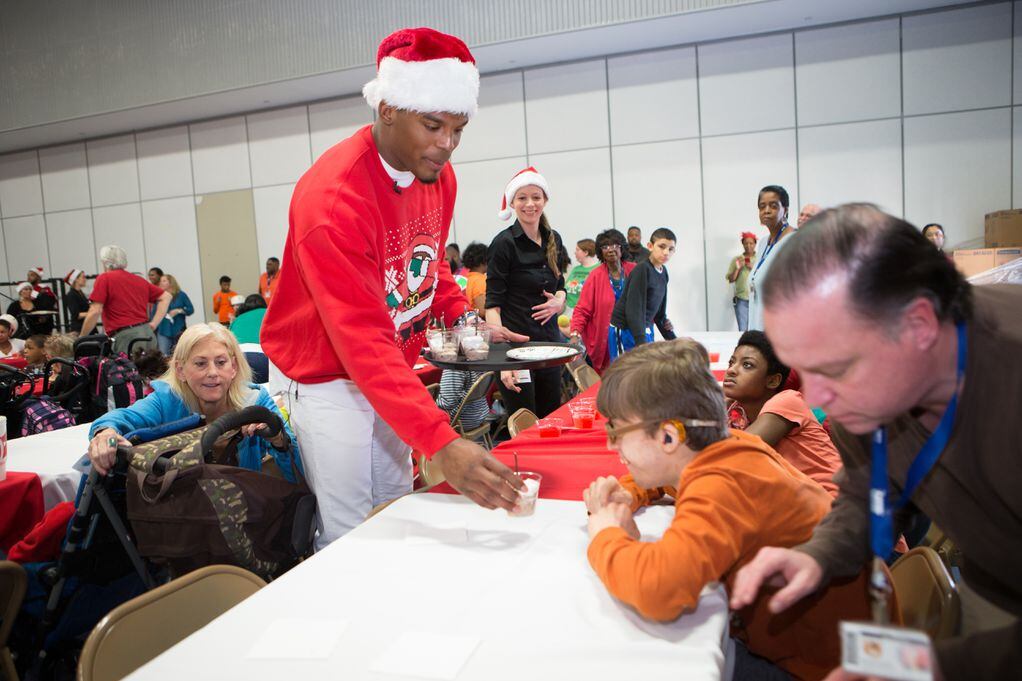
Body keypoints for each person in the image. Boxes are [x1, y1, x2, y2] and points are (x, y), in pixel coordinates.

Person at [730, 204, 1022, 681]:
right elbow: (870, 492)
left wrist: (932, 667)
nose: (818, 397)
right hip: (991, 585)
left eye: (836, 366)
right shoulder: (865, 396)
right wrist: (818, 554)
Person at [260, 27, 527, 546]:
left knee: (399, 509)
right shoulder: (333, 202)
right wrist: (442, 443)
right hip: (328, 375)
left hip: (389, 367)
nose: (446, 144)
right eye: (432, 125)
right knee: (352, 532)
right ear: (387, 109)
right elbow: (360, 339)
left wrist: (468, 322)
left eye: (458, 128)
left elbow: (431, 272)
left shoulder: (438, 177)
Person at [584, 339, 876, 681]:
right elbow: (667, 480)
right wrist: (628, 493)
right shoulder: (732, 445)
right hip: (835, 643)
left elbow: (658, 590)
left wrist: (606, 534)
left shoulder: (719, 484)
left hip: (818, 667)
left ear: (667, 438)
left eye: (617, 429)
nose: (610, 443)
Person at [86, 323, 300, 482]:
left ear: (233, 367)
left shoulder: (256, 402)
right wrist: (105, 434)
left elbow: (298, 475)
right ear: (180, 371)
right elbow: (117, 419)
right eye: (200, 364)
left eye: (221, 362)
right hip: (185, 519)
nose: (213, 373)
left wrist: (278, 439)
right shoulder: (167, 399)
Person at [487, 166, 567, 418]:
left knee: (551, 420)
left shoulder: (554, 238)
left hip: (550, 346)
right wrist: (501, 362)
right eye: (522, 198)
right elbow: (492, 305)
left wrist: (559, 303)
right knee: (525, 423)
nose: (530, 204)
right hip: (516, 352)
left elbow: (561, 287)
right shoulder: (504, 243)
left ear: (545, 200)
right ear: (512, 202)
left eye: (536, 197)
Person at [723, 330, 842, 497]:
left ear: (773, 380)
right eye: (731, 362)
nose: (732, 370)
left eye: (747, 365)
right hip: (800, 506)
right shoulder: (737, 413)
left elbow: (735, 454)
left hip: (836, 504)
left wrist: (714, 408)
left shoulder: (787, 401)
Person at [80, 244, 170, 354]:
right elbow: (166, 296)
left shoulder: (104, 278)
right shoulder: (138, 279)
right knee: (150, 370)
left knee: (126, 369)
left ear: (104, 262)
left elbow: (95, 311)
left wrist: (82, 337)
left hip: (126, 336)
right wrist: (154, 323)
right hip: (147, 333)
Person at [569, 229, 635, 374]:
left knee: (635, 378)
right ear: (600, 252)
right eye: (605, 247)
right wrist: (575, 334)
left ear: (622, 247)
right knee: (611, 380)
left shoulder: (634, 271)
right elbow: (582, 309)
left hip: (633, 336)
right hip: (606, 340)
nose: (611, 250)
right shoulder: (595, 276)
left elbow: (649, 299)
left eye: (615, 245)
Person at [608, 227, 677, 360]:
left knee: (645, 372)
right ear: (650, 246)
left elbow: (659, 313)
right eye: (661, 247)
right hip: (625, 328)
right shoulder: (642, 270)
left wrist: (673, 340)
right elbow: (633, 310)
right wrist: (641, 343)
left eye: (670, 249)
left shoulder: (664, 272)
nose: (666, 252)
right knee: (626, 373)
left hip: (643, 327)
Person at [748, 184, 795, 331]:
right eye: (762, 206)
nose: (766, 211)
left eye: (773, 206)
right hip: (758, 330)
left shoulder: (795, 241)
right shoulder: (763, 243)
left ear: (785, 210)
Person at [155, 273, 194, 355]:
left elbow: (190, 309)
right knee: (163, 356)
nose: (160, 283)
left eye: (164, 281)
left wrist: (179, 310)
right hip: (163, 331)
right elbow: (153, 315)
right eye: (160, 281)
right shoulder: (159, 297)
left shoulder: (181, 295)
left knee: (181, 354)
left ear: (171, 283)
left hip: (178, 330)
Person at [726, 232, 757, 331]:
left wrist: (752, 268)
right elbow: (731, 279)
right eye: (746, 243)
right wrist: (738, 268)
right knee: (743, 329)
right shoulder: (737, 259)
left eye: (751, 243)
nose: (748, 246)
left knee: (756, 329)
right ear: (742, 244)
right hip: (741, 300)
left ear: (755, 244)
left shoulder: (760, 257)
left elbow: (767, 276)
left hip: (757, 299)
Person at [564, 238, 599, 316]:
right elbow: (566, 287)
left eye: (577, 250)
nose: (574, 252)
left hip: (585, 311)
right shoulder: (575, 269)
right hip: (568, 309)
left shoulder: (598, 269)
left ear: (586, 252)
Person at [461, 242, 487, 315]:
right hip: (478, 322)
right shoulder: (481, 281)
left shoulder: (465, 278)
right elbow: (482, 310)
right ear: (483, 261)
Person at [62, 268, 90, 334]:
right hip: (79, 329)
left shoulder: (80, 293)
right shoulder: (71, 295)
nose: (85, 279)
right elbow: (76, 315)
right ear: (76, 279)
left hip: (85, 326)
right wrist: (92, 313)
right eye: (83, 277)